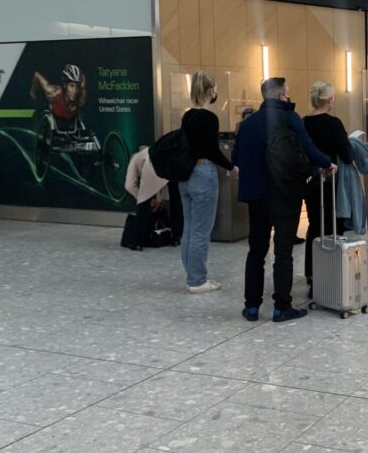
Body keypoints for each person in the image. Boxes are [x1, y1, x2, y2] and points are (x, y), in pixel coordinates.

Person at [233, 77, 333, 323]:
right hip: (285, 192)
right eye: (287, 94)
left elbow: (236, 157)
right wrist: (327, 163)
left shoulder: (247, 124)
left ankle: (252, 307)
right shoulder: (291, 118)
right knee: (283, 250)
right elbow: (308, 148)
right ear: (280, 96)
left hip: (257, 195)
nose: (289, 97)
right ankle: (281, 307)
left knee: (256, 250)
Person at [179, 71, 237, 293]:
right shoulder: (209, 118)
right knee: (202, 231)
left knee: (190, 228)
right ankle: (198, 280)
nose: (216, 92)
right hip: (204, 174)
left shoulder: (187, 116)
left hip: (186, 176)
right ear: (208, 91)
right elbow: (212, 150)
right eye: (214, 88)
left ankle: (191, 275)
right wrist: (232, 167)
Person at [303, 80, 353, 297]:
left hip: (311, 182)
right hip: (332, 181)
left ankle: (311, 273)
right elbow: (347, 154)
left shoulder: (303, 122)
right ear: (330, 99)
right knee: (334, 227)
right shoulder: (333, 123)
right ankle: (331, 274)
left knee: (314, 226)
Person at [125, 146, 171, 249]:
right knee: (165, 207)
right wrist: (159, 200)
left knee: (143, 207)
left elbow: (129, 185)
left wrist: (141, 198)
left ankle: (138, 242)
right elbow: (161, 183)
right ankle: (173, 236)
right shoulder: (155, 152)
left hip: (149, 167)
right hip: (167, 166)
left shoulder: (134, 158)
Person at [30, 64, 86, 128]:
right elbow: (36, 75)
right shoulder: (54, 93)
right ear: (65, 85)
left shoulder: (81, 96)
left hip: (70, 117)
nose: (75, 91)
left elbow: (83, 80)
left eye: (77, 86)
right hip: (55, 115)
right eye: (71, 86)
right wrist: (33, 92)